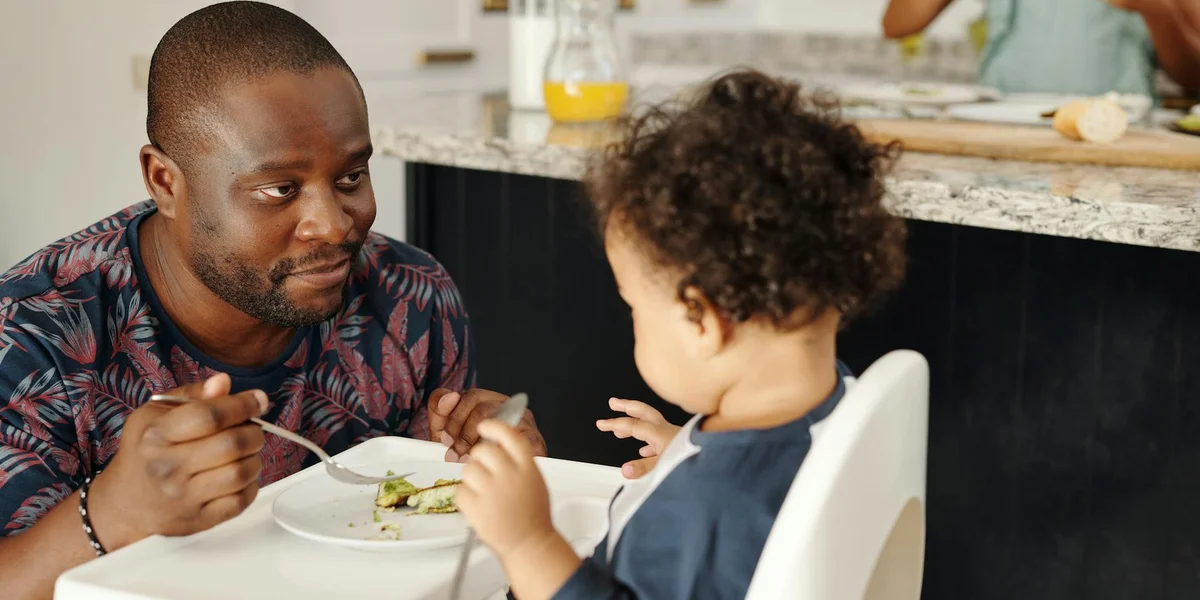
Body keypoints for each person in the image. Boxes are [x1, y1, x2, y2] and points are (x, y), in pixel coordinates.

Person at [0, 3, 545, 597]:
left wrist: (498, 468)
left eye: (350, 177)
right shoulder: (31, 341)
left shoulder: (412, 298)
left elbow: (434, 541)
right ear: (164, 181)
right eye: (279, 189)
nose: (334, 226)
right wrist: (111, 516)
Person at [455, 69, 909, 599]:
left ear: (702, 322)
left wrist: (528, 541)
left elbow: (721, 524)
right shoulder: (838, 399)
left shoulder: (709, 510)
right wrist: (686, 450)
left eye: (634, 306)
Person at [882, 0, 1200, 97]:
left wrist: (1158, 12)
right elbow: (896, 24)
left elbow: (1194, 78)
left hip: (1118, 144)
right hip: (1001, 135)